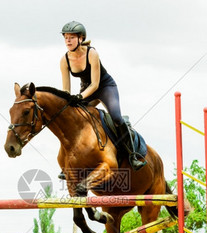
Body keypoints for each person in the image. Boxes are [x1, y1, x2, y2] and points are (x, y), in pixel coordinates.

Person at [59, 21, 146, 172]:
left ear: (81, 38)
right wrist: (67, 101)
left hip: (104, 87)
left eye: (71, 37)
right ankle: (69, 163)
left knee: (116, 118)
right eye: (66, 37)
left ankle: (133, 155)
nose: (67, 40)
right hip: (86, 89)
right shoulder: (64, 60)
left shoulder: (92, 53)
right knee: (71, 119)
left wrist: (79, 96)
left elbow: (95, 84)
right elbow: (66, 90)